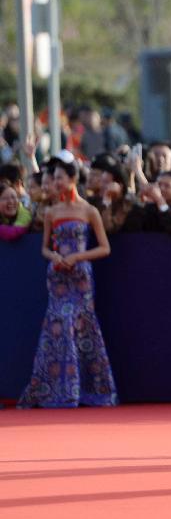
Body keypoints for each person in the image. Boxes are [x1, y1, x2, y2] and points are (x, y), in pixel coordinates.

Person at [18, 152, 117, 408]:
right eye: (55, 178)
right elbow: (44, 247)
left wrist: (77, 257)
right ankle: (55, 390)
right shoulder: (51, 211)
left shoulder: (89, 210)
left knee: (82, 328)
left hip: (81, 277)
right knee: (57, 328)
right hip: (58, 278)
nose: (57, 182)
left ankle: (89, 389)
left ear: (73, 178)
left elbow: (105, 248)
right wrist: (55, 256)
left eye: (61, 178)